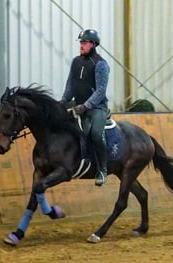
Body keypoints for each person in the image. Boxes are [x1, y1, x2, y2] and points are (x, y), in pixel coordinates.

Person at [61, 28, 110, 186]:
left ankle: (102, 169)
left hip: (97, 108)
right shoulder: (76, 61)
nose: (81, 45)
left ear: (94, 44)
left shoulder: (100, 64)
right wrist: (63, 101)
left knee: (95, 134)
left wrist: (86, 106)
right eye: (81, 42)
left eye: (84, 42)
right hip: (79, 106)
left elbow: (101, 91)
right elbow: (70, 85)